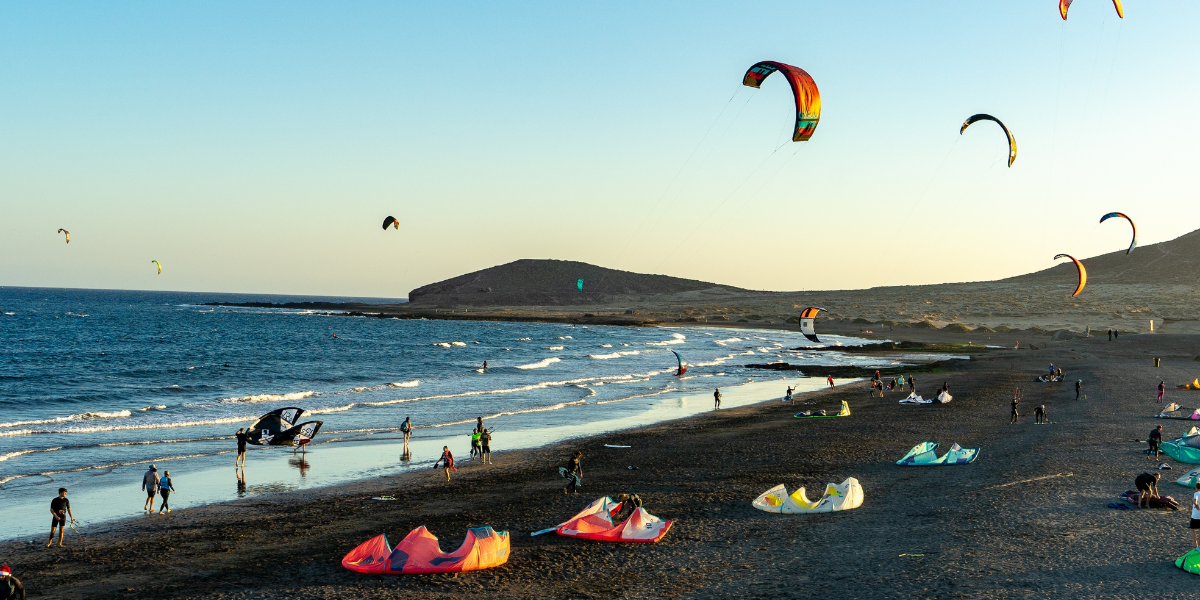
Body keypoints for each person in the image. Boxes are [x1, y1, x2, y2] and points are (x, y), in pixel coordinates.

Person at [1191, 481, 1200, 547]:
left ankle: (1195, 544)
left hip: (1195, 515)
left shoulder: (1196, 493)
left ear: (1196, 488)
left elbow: (1195, 500)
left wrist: (1196, 504)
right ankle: (1199, 545)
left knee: (1192, 529)